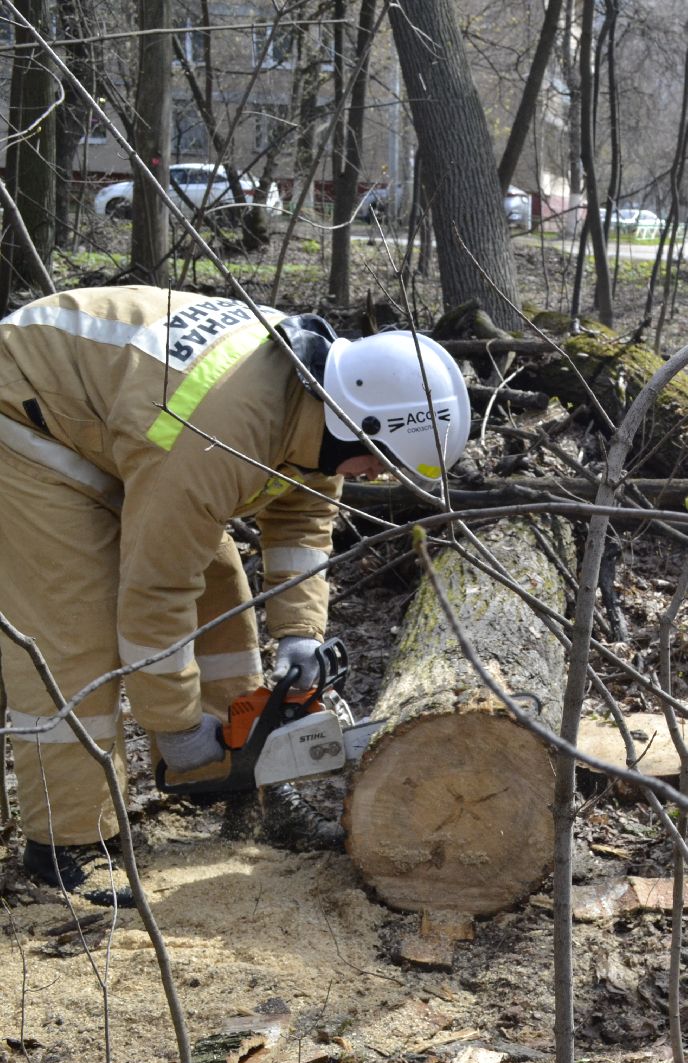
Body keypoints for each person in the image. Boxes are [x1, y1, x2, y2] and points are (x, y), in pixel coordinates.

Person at [0, 286, 472, 902]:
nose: (378, 478)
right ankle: (65, 845)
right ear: (362, 424)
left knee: (221, 587)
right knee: (75, 630)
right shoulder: (223, 430)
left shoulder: (317, 403)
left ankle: (231, 777)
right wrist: (173, 726)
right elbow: (157, 588)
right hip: (30, 415)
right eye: (379, 462)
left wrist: (300, 635)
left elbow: (301, 525)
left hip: (126, 426)